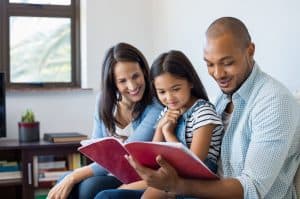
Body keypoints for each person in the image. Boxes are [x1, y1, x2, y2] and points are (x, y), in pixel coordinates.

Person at [95, 17, 300, 199]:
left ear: (250, 51)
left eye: (227, 63)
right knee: (106, 196)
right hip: (197, 189)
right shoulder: (222, 98)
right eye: (210, 64)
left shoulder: (274, 102)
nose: (218, 74)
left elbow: (252, 189)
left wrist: (176, 185)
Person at [95, 50, 224, 199]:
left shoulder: (203, 113)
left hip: (194, 184)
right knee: (107, 195)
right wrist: (161, 128)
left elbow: (193, 165)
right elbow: (153, 157)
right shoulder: (167, 112)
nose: (169, 97)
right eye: (162, 92)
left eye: (176, 89)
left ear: (191, 82)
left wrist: (168, 133)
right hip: (168, 176)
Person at [47, 42, 163, 199]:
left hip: (136, 176)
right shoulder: (104, 101)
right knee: (62, 182)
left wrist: (75, 175)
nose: (132, 85)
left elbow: (125, 157)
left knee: (85, 187)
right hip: (107, 172)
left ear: (143, 71)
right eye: (122, 81)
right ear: (113, 83)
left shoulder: (155, 107)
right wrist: (71, 177)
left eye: (135, 76)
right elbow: (97, 150)